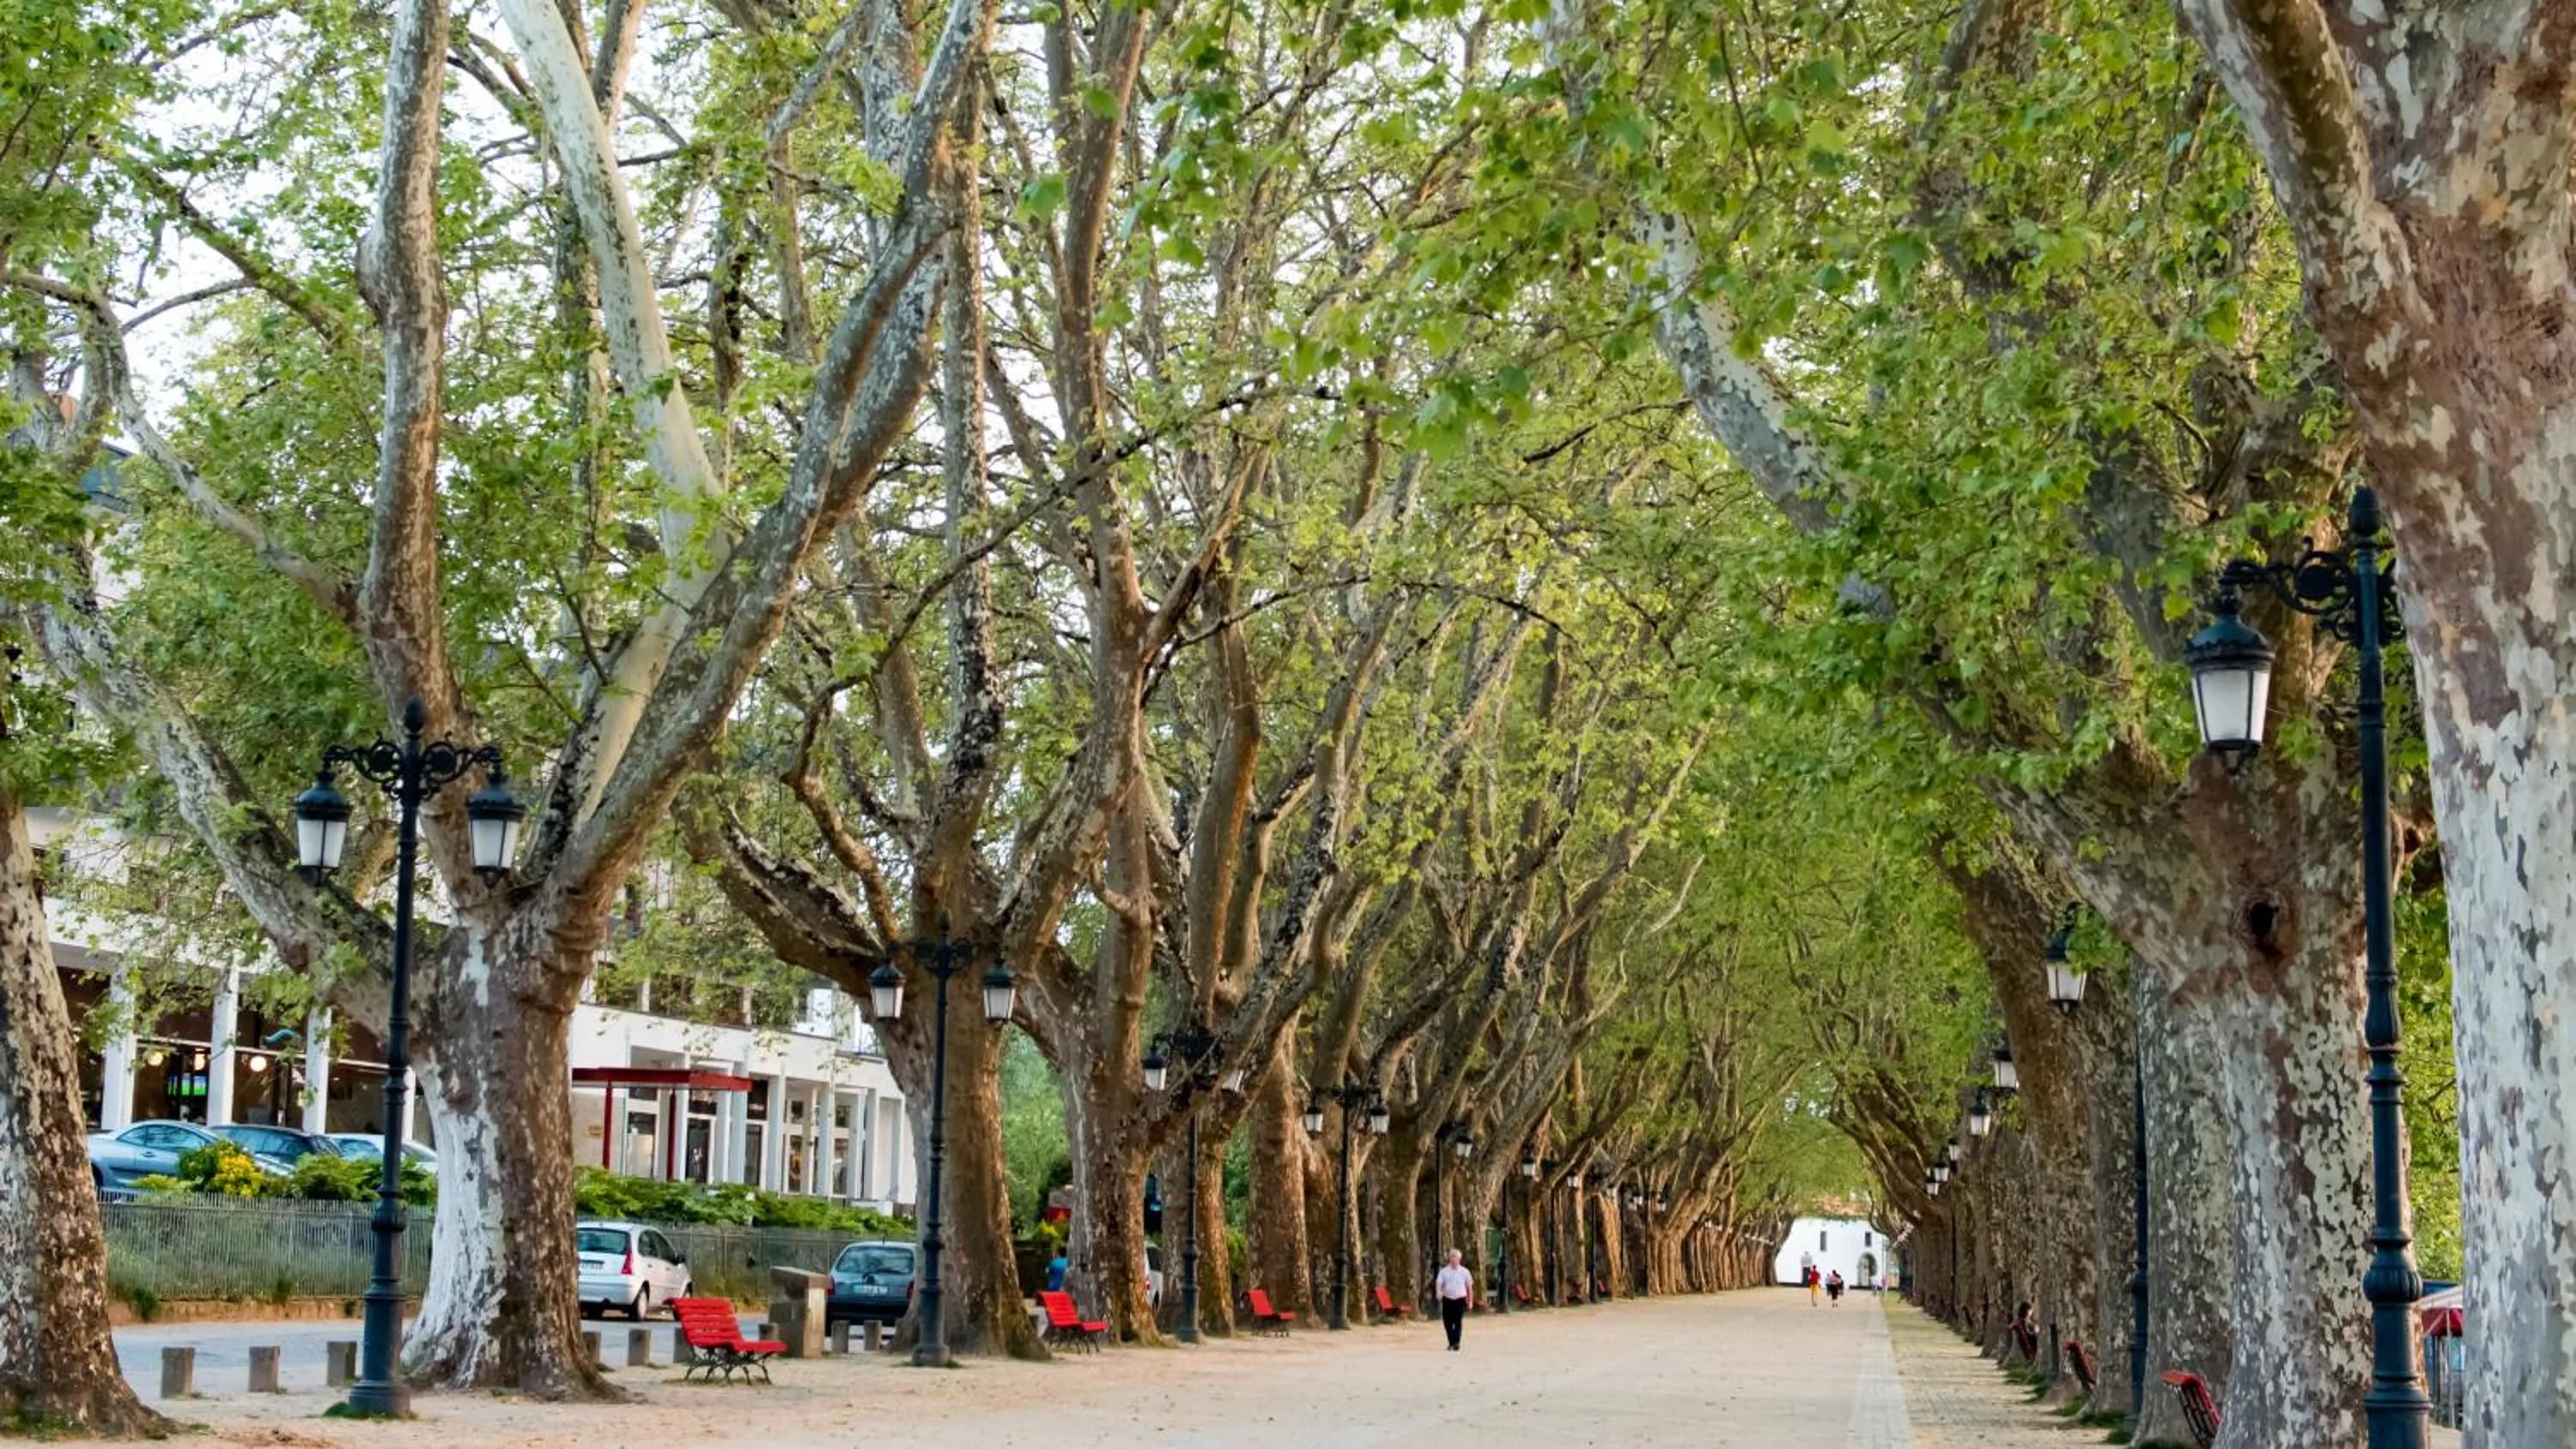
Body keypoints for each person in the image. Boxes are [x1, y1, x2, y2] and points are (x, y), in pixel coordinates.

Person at [1435, 1248, 1474, 1350]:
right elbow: (1439, 1283)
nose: (1453, 1259)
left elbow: (1469, 1287)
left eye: (1455, 1257)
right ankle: (1451, 1341)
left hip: (1460, 1299)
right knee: (1447, 1321)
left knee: (1457, 1321)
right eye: (1451, 1257)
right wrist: (1438, 1292)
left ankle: (1456, 1343)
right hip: (1447, 1299)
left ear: (1459, 1259)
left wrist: (1470, 1301)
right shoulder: (1444, 1271)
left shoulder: (1465, 1272)